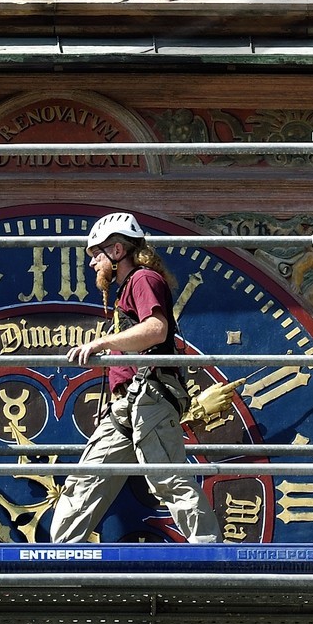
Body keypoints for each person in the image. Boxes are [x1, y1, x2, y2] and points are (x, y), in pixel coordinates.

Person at [49, 213, 219, 545]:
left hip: (149, 396)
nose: (93, 264)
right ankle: (61, 554)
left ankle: (211, 551)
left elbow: (157, 329)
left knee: (167, 477)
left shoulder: (143, 279)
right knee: (87, 480)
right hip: (129, 403)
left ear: (116, 250)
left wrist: (102, 343)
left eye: (96, 255)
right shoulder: (128, 288)